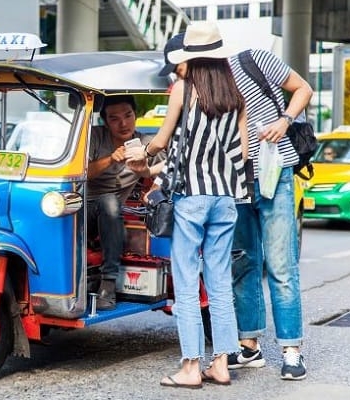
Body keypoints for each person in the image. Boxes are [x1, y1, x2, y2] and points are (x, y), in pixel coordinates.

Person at [136, 21, 249, 388]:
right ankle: (221, 364)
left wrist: (144, 153)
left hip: (193, 199)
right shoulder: (235, 94)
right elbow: (244, 152)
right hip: (225, 199)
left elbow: (164, 139)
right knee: (219, 284)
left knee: (186, 283)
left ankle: (189, 367)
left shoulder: (184, 88)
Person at [225, 30, 314, 380]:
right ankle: (250, 347)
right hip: (233, 183)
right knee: (244, 264)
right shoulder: (203, 87)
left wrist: (285, 119)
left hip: (274, 173)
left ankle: (292, 350)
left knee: (281, 265)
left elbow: (303, 87)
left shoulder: (254, 60)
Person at [87, 95, 164, 310]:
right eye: (114, 119)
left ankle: (108, 283)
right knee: (108, 202)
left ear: (135, 116)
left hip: (112, 210)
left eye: (128, 116)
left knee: (111, 203)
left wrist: (154, 187)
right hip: (84, 209)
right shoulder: (95, 136)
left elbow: (171, 165)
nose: (123, 123)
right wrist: (111, 158)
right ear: (105, 122)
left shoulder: (146, 144)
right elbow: (83, 173)